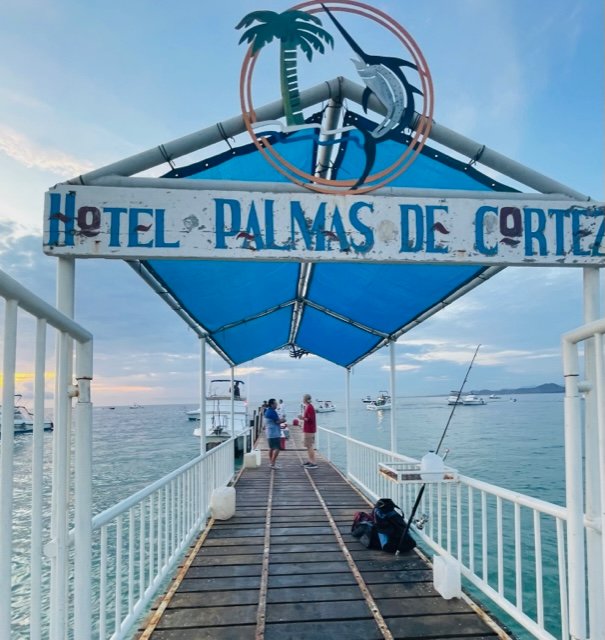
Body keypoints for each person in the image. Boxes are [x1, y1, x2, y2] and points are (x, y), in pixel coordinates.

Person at [299, 393, 317, 469]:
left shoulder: (310, 407)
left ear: (305, 399)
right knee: (308, 446)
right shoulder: (308, 407)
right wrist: (303, 418)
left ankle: (313, 463)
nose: (302, 400)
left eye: (303, 398)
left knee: (310, 446)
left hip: (309, 430)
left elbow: (310, 419)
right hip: (308, 429)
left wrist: (302, 418)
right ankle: (310, 461)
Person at [264, 398, 282, 469]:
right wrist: (283, 420)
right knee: (277, 448)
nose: (276, 404)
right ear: (272, 404)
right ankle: (273, 463)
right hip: (274, 433)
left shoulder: (268, 411)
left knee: (271, 448)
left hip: (269, 433)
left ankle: (271, 462)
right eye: (275, 403)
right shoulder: (272, 412)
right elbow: (277, 421)